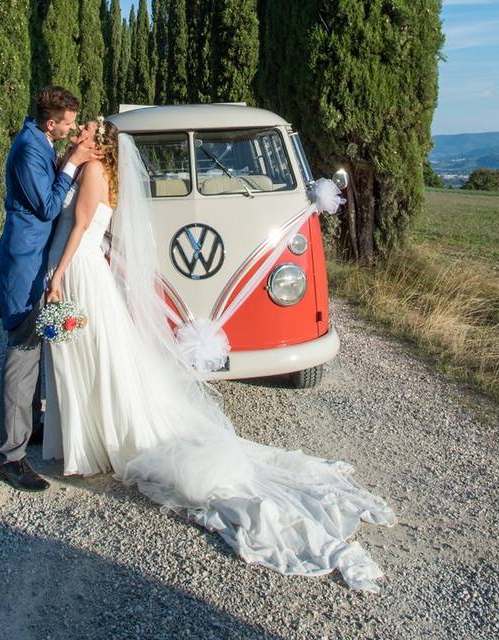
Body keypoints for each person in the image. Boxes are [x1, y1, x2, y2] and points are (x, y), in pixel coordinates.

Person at [40, 119, 397, 592]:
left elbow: (81, 223)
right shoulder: (103, 172)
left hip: (78, 267)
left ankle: (89, 438)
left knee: (101, 359)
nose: (79, 132)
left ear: (101, 145)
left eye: (86, 129)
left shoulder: (94, 173)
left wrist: (57, 273)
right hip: (85, 268)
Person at [0, 86, 101, 492]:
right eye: (69, 123)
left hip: (38, 259)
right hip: (24, 263)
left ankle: (31, 427)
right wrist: (72, 161)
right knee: (22, 354)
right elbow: (48, 207)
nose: (73, 128)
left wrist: (65, 157)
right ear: (50, 121)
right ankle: (11, 457)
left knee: (35, 346)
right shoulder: (26, 148)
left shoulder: (38, 142)